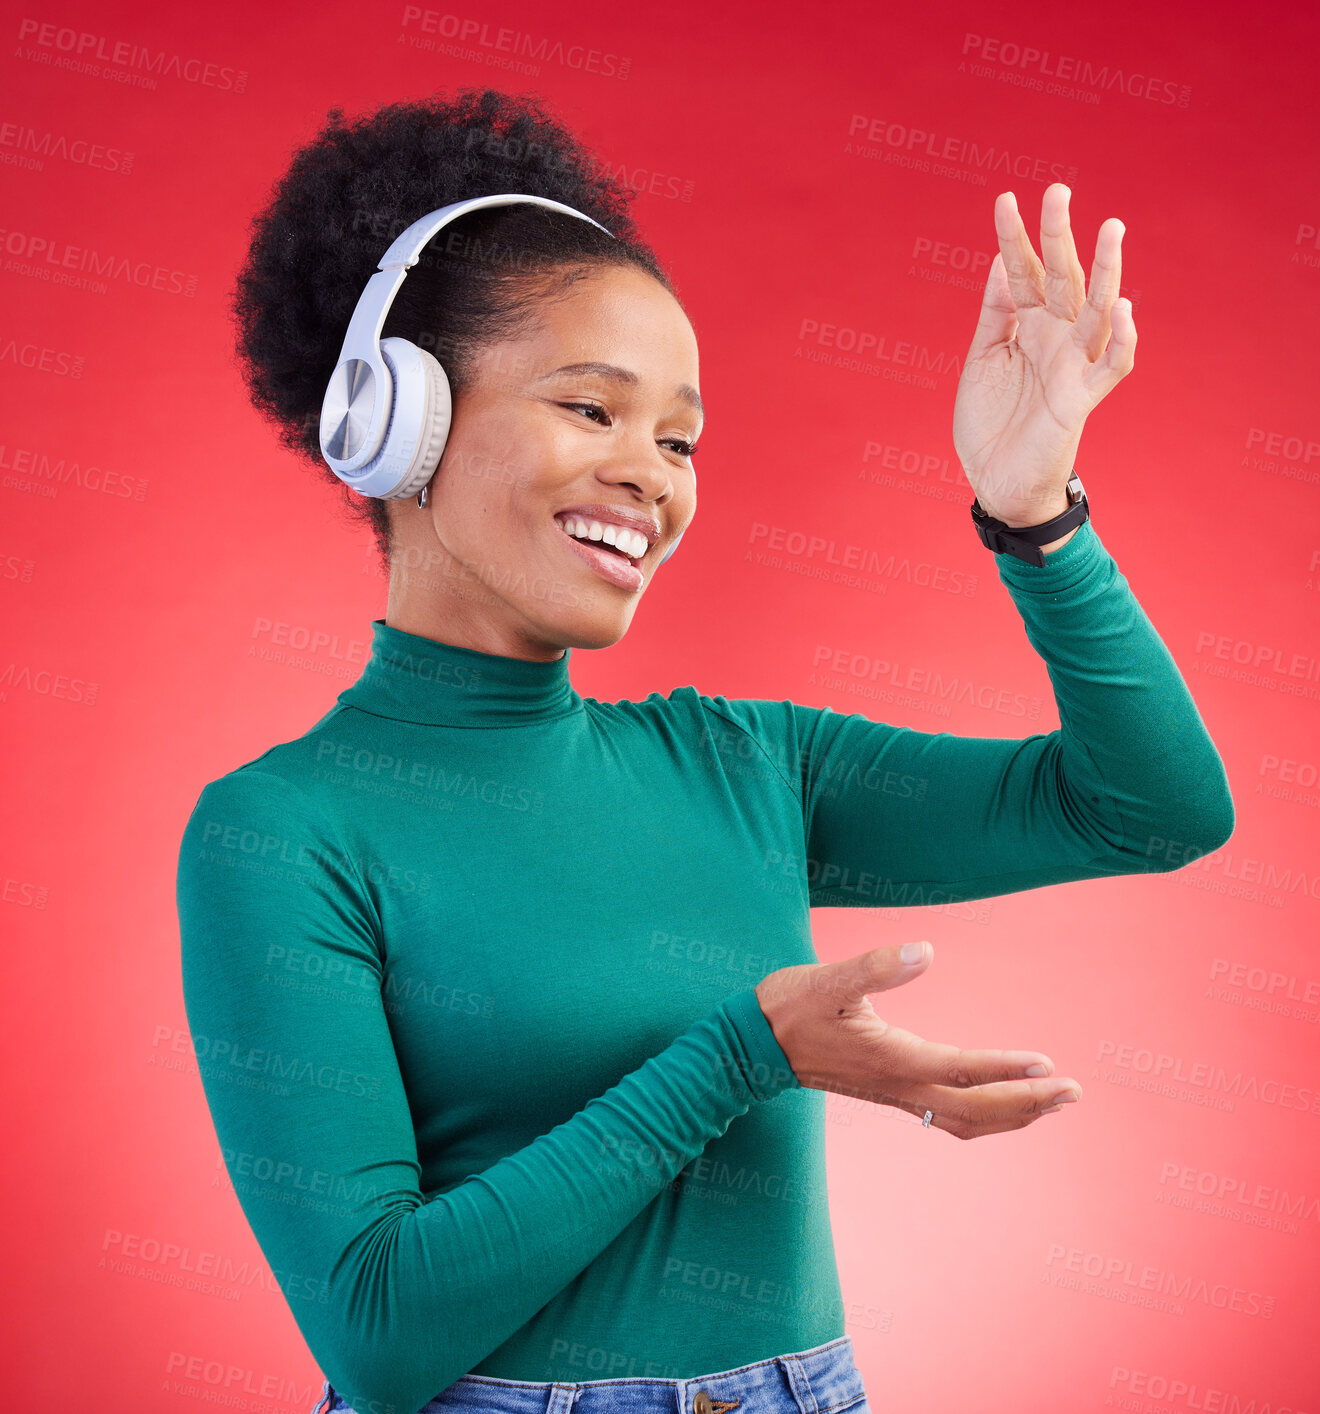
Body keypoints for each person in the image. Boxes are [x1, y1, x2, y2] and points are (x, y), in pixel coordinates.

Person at [176, 87, 1235, 1414]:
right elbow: (378, 1333)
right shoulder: (285, 830)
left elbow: (1149, 808)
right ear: (398, 423)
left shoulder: (745, 765)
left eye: (678, 438)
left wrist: (1034, 513)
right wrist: (747, 1051)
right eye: (592, 409)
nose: (652, 474)